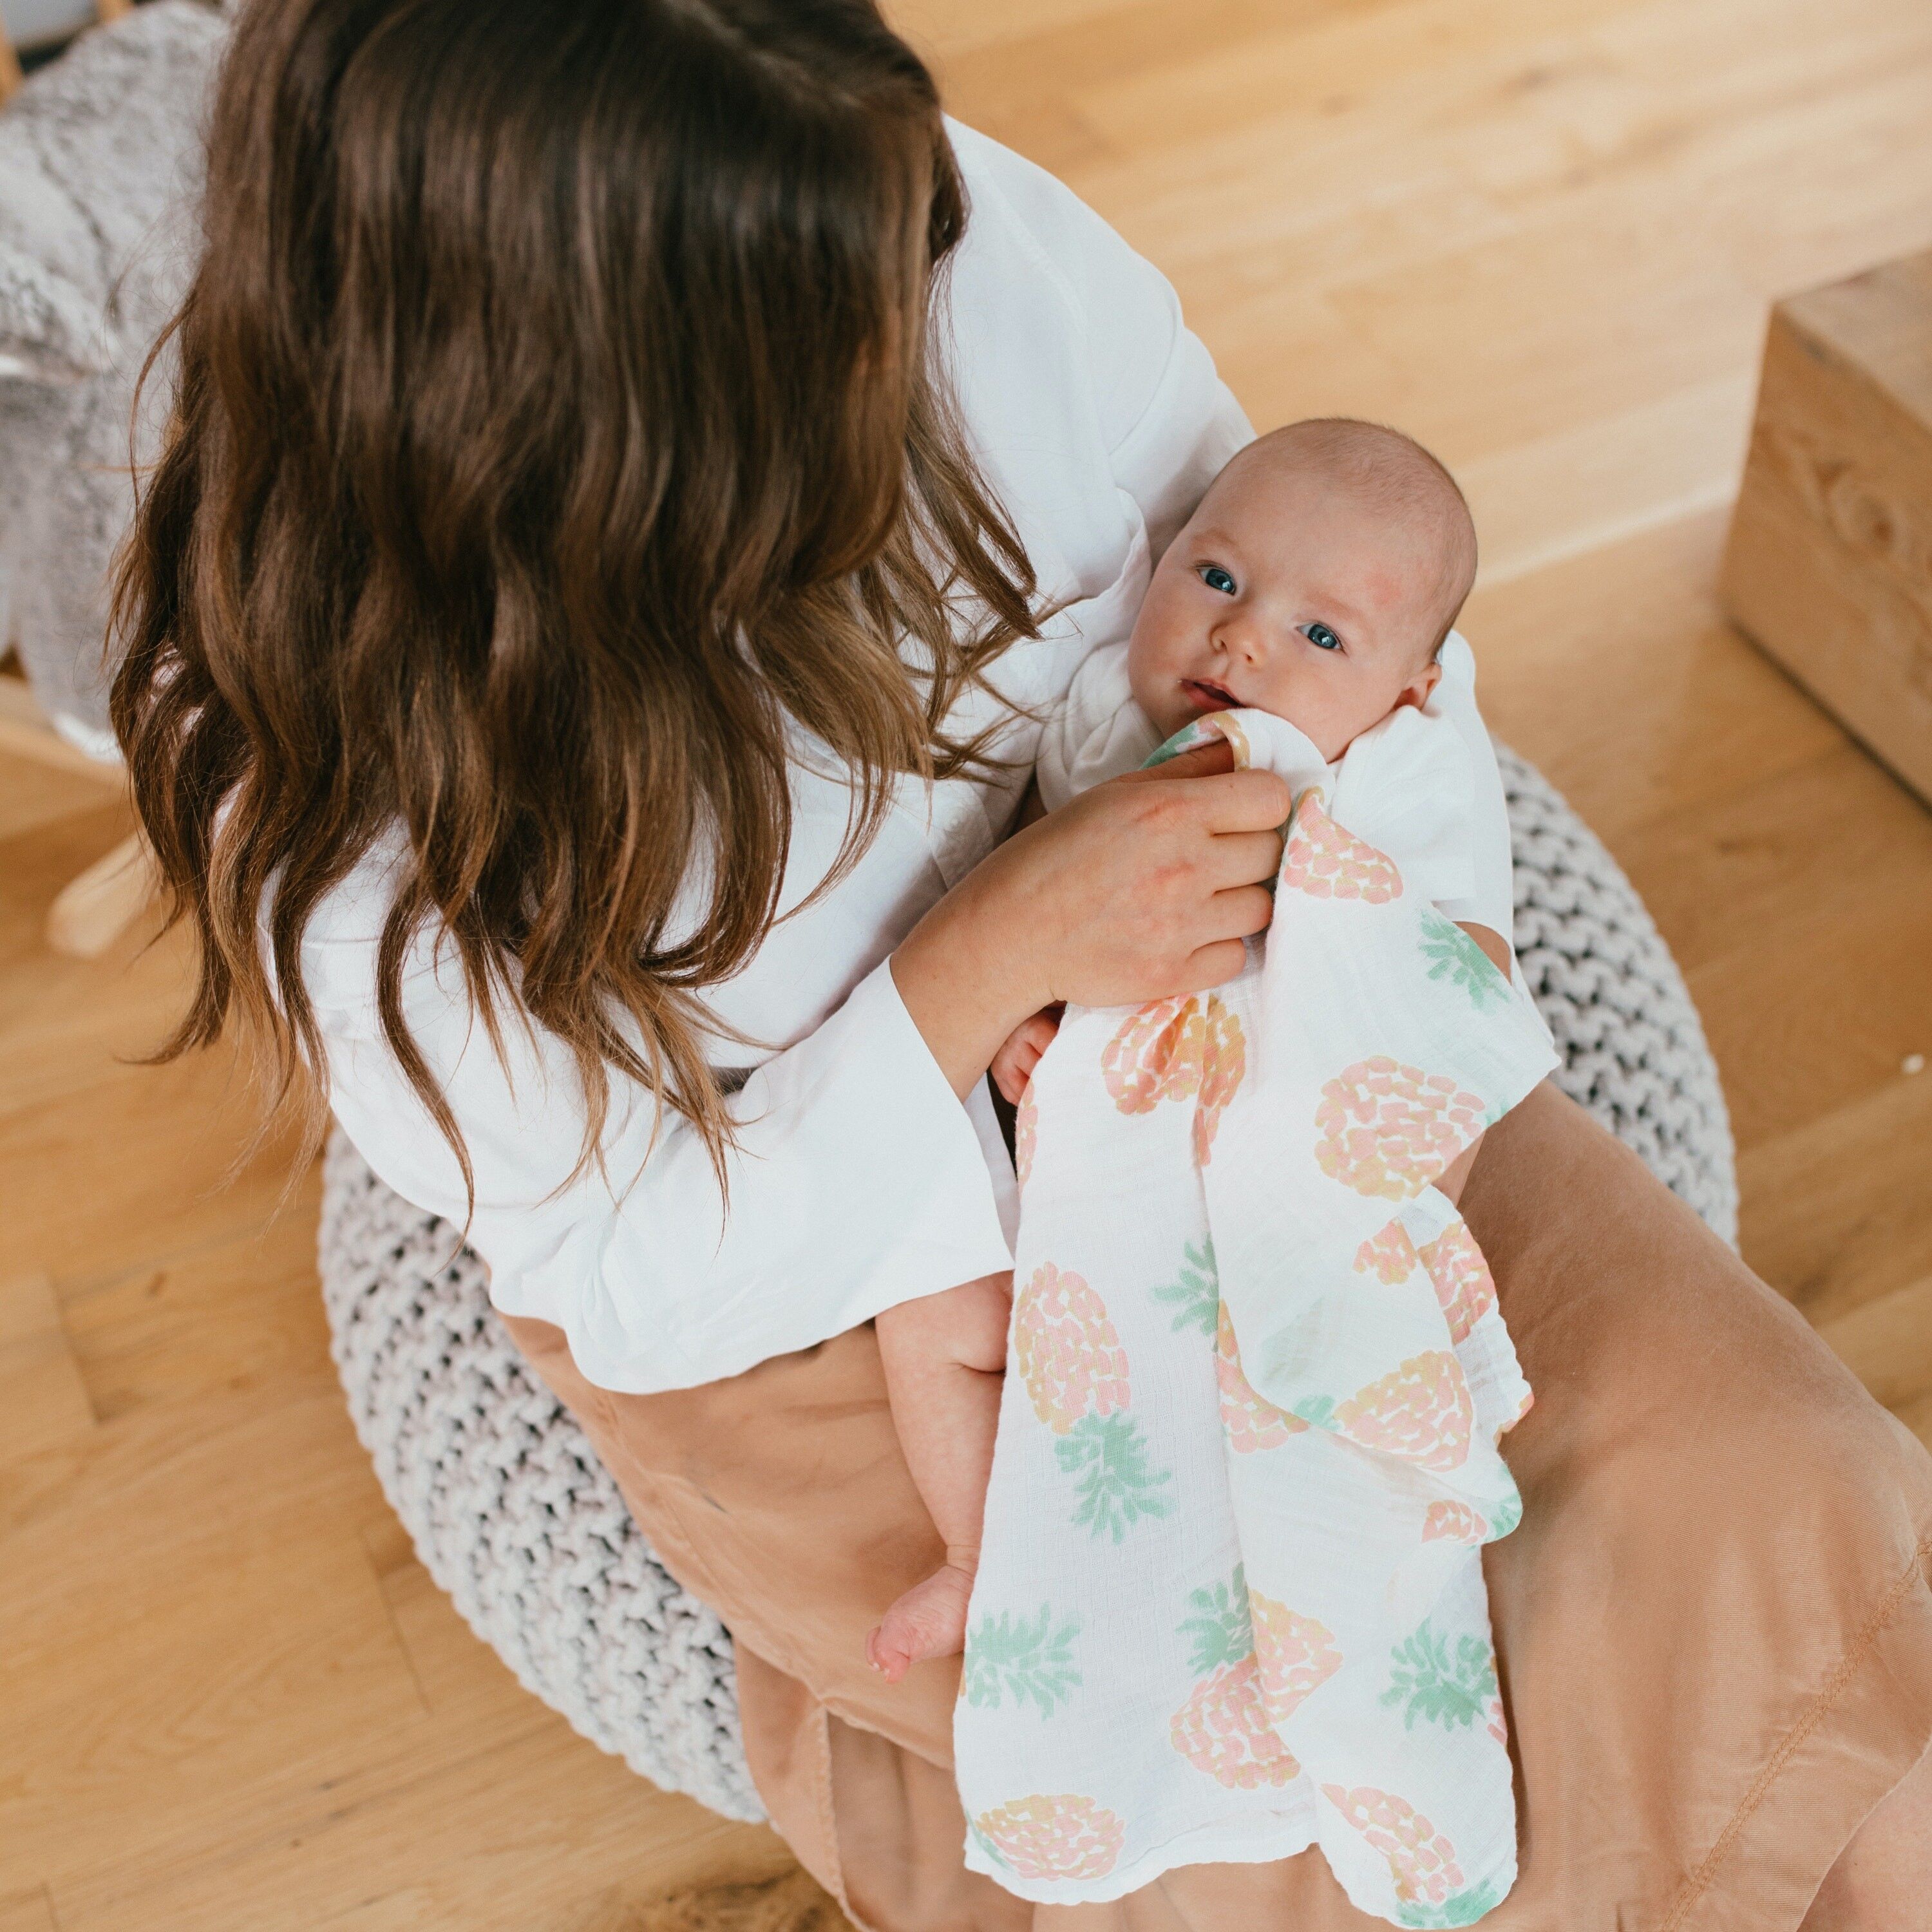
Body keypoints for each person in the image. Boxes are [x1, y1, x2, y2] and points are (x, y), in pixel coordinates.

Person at [108, 3, 1932, 1927]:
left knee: (1791, 1504)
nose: (925, 316)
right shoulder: (346, 818)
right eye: (849, 337)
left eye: (919, 238)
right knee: (1252, 1793)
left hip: (1223, 1049)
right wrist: (978, 963)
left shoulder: (958, 240)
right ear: (596, 434)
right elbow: (641, 1268)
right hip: (827, 1268)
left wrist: (1307, 895)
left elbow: (1328, 596)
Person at [868, 417, 1511, 1683]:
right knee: (926, 1294)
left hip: (1295, 1155)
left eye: (1322, 636)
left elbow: (1461, 984)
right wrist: (1027, 1031)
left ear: (1411, 688)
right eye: (1217, 579)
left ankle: (1283, 1572)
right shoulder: (1106, 710)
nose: (1243, 637)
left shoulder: (1401, 777)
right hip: (1091, 1163)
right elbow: (1032, 907)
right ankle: (983, 1556)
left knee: (1330, 1343)